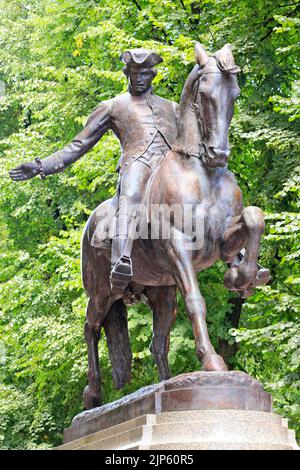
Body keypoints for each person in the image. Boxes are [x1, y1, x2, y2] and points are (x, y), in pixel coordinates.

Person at [9, 49, 179, 293]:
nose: (139, 77)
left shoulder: (171, 108)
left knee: (206, 188)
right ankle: (122, 260)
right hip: (138, 165)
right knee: (130, 194)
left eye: (144, 73)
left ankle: (236, 256)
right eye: (134, 72)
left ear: (153, 74)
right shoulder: (112, 107)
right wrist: (40, 166)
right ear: (127, 74)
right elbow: (79, 145)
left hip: (171, 172)